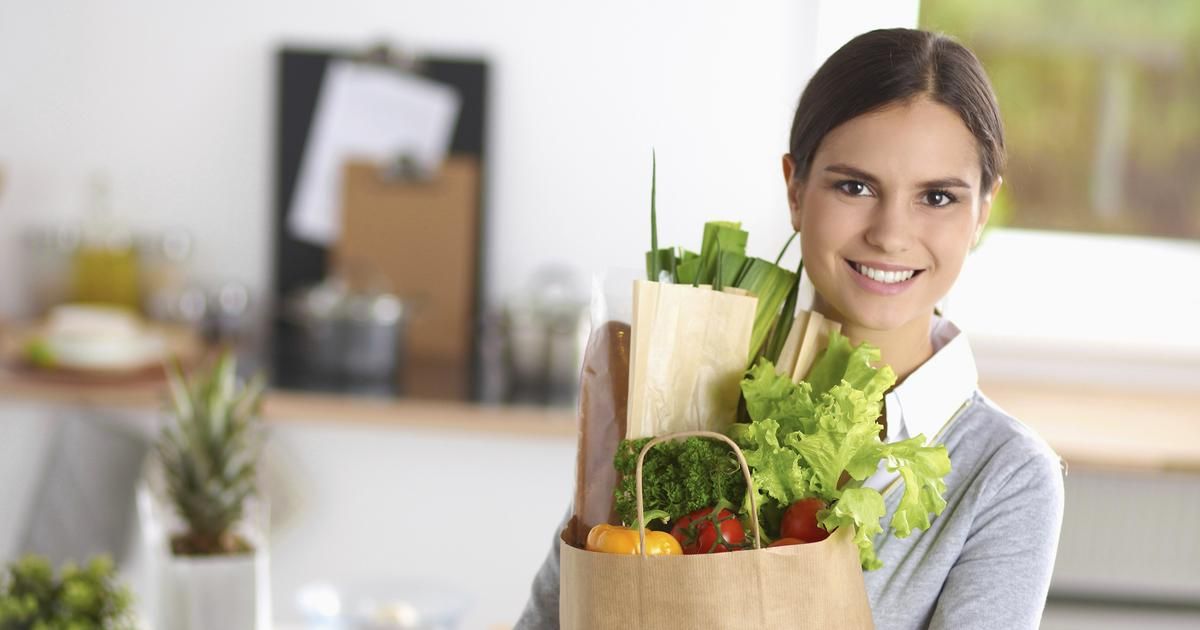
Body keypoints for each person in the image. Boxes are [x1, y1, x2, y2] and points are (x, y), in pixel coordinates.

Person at [516, 27, 1064, 630]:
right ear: (795, 189)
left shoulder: (1005, 474)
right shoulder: (678, 390)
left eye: (937, 198)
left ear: (982, 212)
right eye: (854, 186)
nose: (890, 233)